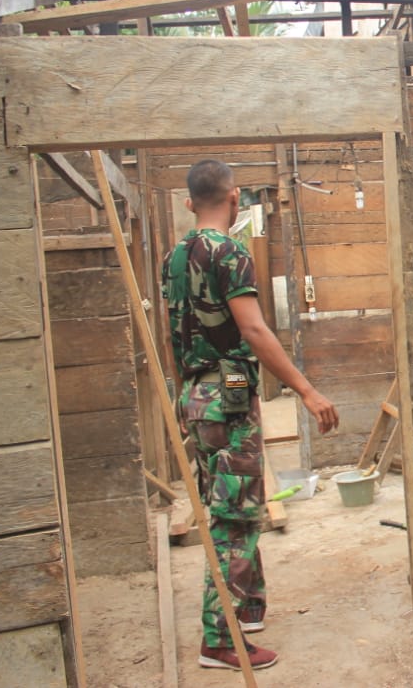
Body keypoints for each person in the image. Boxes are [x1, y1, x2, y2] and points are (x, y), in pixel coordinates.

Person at [162, 159, 339, 671]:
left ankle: (250, 607)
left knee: (236, 502)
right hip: (228, 393)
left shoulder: (174, 256)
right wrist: (305, 390)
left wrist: (187, 399)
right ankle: (219, 640)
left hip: (198, 395)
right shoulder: (230, 253)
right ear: (235, 198)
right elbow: (255, 331)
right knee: (233, 517)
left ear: (190, 201)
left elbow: (179, 334)